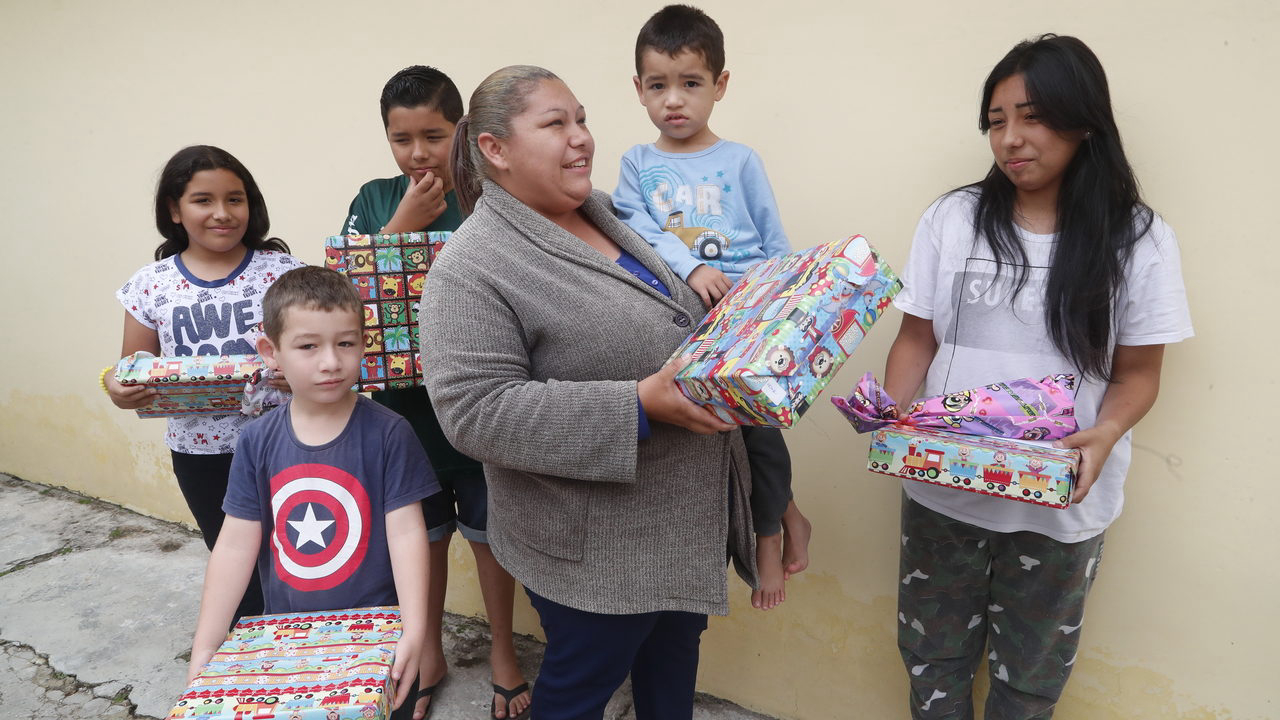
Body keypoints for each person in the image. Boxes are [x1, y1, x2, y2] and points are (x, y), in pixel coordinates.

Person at [419, 65, 757, 720]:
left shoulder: (601, 212)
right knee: (576, 696)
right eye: (555, 124)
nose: (581, 138)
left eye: (581, 119)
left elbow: (665, 319)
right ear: (496, 150)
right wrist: (637, 404)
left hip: (679, 530)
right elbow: (475, 412)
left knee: (669, 686)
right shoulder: (471, 267)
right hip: (595, 556)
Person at [883, 35, 1192, 718]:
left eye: (1033, 117)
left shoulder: (1137, 239)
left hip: (1060, 503)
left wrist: (1105, 433)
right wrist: (890, 414)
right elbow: (916, 338)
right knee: (932, 661)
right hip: (945, 489)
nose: (1011, 139)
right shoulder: (954, 219)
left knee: (1030, 680)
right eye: (996, 120)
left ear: (1083, 122)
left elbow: (1139, 374)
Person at [339, 64, 531, 720]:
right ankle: (426, 651)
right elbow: (345, 301)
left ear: (464, 133)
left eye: (433, 134)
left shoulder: (493, 195)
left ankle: (504, 654)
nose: (418, 152)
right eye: (402, 138)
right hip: (401, 415)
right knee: (420, 539)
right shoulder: (373, 198)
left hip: (478, 404)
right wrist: (400, 225)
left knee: (489, 535)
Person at [612, 4, 810, 610]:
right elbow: (634, 229)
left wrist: (785, 301)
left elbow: (773, 240)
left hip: (747, 316)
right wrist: (693, 266)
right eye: (658, 85)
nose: (675, 100)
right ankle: (766, 526)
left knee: (762, 434)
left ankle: (770, 538)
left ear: (719, 86)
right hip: (681, 321)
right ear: (639, 90)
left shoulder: (740, 160)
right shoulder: (637, 165)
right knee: (710, 441)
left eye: (691, 83)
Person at [184, 266, 435, 720]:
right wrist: (207, 643)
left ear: (363, 342)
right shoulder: (256, 441)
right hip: (287, 642)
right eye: (308, 346)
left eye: (346, 343)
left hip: (376, 643)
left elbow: (407, 535)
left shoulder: (390, 434)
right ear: (271, 351)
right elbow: (237, 544)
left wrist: (416, 629)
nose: (330, 362)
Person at [103, 145, 307, 622]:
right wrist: (116, 386)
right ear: (174, 210)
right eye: (202, 200)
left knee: (300, 557)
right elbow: (134, 368)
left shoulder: (284, 273)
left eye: (235, 199)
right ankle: (251, 663)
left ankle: (309, 657)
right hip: (201, 454)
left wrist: (296, 372)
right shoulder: (150, 285)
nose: (222, 213)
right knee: (236, 565)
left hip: (288, 443)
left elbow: (320, 349)